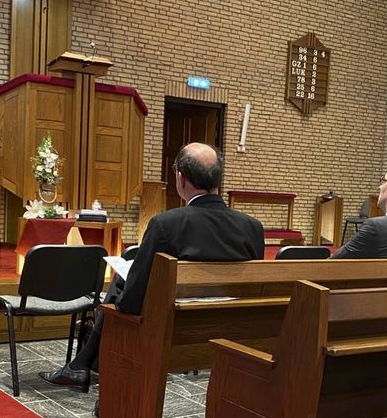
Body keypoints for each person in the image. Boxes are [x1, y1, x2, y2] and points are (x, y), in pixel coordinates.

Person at [39, 142, 265, 393]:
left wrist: (116, 302)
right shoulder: (252, 227)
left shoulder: (166, 224)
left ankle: (88, 372)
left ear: (180, 178)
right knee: (124, 285)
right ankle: (81, 366)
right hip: (232, 331)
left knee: (120, 295)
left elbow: (133, 302)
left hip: (169, 332)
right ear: (218, 180)